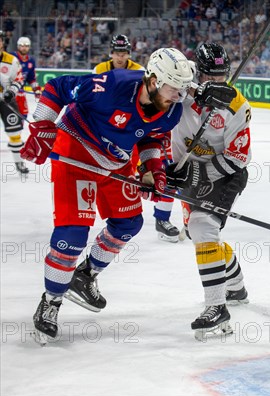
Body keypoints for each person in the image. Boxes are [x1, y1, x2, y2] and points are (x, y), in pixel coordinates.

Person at [20, 48, 234, 344]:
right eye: (174, 88)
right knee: (72, 236)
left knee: (129, 222)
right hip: (76, 153)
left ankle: (86, 274)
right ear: (155, 80)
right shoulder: (112, 85)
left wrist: (151, 170)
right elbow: (57, 87)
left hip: (116, 160)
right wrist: (42, 129)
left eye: (183, 89)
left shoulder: (171, 107)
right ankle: (51, 302)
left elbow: (152, 137)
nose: (179, 96)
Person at [165, 43, 249, 340]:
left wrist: (201, 173)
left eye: (222, 76)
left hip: (224, 174)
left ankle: (217, 307)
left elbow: (239, 157)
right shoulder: (180, 88)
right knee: (198, 233)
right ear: (196, 73)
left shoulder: (237, 106)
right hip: (186, 172)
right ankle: (235, 284)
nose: (217, 82)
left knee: (202, 228)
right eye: (209, 76)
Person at [94, 35, 181, 242]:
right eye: (117, 52)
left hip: (136, 129)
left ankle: (159, 218)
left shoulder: (140, 71)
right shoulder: (100, 70)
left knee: (159, 168)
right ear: (111, 52)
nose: (120, 56)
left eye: (123, 52)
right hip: (107, 130)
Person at [0, 30, 28, 175]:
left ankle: (19, 162)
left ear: (2, 42)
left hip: (6, 101)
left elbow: (19, 79)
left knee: (15, 133)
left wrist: (11, 92)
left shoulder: (12, 60)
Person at [11, 36, 42, 120]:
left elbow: (31, 78)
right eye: (22, 45)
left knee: (23, 115)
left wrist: (36, 89)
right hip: (8, 90)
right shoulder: (11, 57)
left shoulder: (31, 60)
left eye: (26, 46)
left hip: (20, 92)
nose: (24, 48)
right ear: (18, 46)